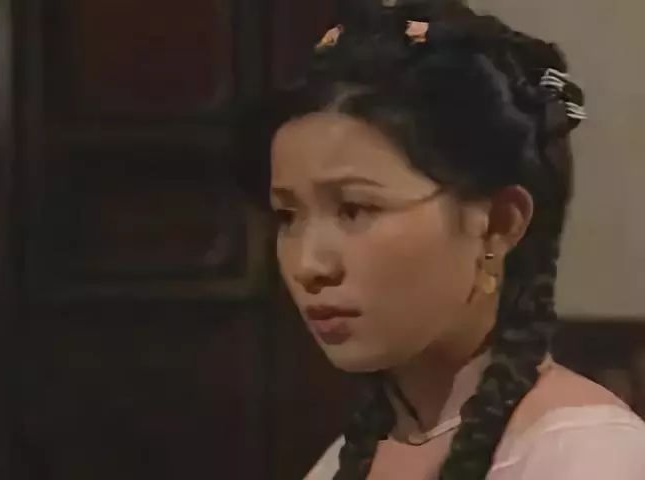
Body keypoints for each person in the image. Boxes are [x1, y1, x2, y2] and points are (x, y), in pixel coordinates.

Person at [250, 0, 645, 478]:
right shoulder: (345, 459)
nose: (309, 265)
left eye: (355, 209)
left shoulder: (588, 456)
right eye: (288, 216)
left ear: (498, 223)